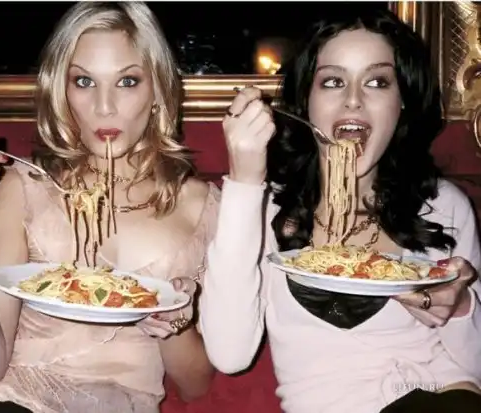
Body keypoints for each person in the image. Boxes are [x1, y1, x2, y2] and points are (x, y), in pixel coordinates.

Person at [0, 2, 219, 413]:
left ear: (157, 90)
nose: (104, 107)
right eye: (84, 81)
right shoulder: (23, 189)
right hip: (15, 399)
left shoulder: (203, 206)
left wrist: (174, 322)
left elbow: (195, 386)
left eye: (127, 81)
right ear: (62, 93)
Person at [199, 7, 481, 413]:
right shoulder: (261, 208)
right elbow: (230, 355)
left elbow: (474, 366)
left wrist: (459, 307)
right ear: (306, 101)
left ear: (402, 102)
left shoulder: (441, 205)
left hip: (444, 397)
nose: (353, 100)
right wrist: (244, 180)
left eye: (377, 82)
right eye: (333, 81)